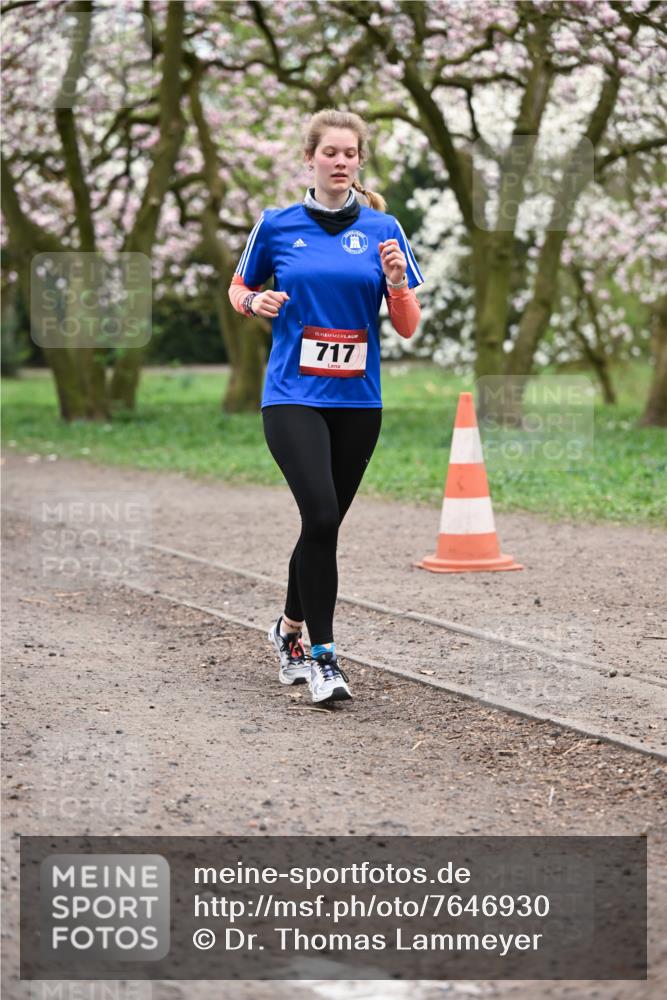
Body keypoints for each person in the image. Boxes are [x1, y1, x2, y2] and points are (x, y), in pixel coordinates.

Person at [228, 109, 424, 704]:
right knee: (318, 515)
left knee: (325, 525)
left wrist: (394, 282)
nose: (341, 161)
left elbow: (408, 326)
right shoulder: (276, 224)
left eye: (350, 152)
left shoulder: (385, 229)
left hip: (358, 401)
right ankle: (324, 657)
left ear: (360, 161)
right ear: (310, 158)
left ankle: (287, 631)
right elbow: (240, 287)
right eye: (330, 151)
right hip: (291, 395)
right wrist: (253, 303)